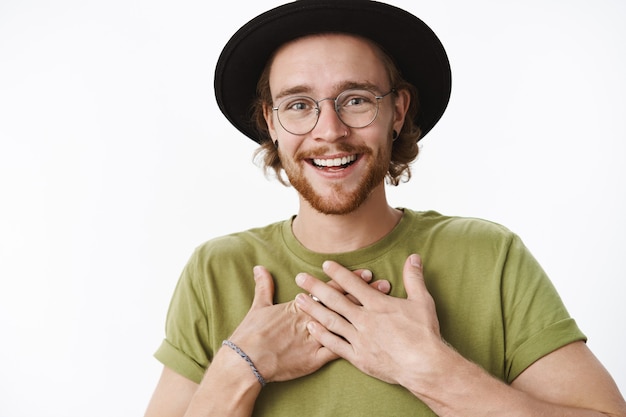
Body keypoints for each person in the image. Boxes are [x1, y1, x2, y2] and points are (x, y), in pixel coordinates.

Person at [144, 1, 626, 416]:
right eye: (298, 105)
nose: (329, 130)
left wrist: (431, 370)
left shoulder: (488, 255)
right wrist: (239, 365)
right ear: (271, 121)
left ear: (397, 111)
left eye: (356, 100)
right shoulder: (216, 270)